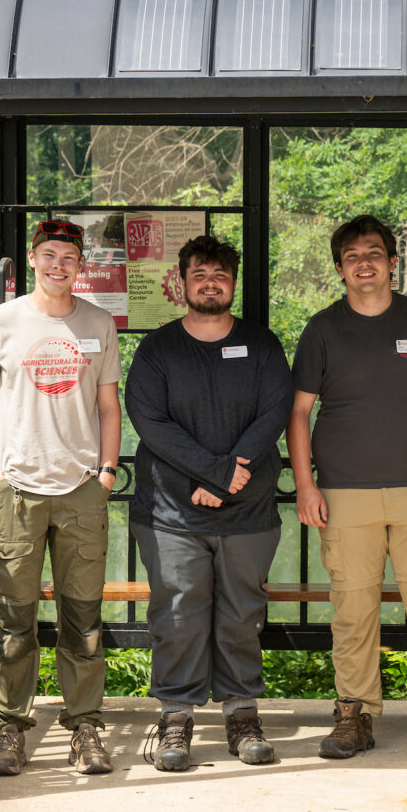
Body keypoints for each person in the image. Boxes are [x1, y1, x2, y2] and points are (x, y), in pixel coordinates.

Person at [125, 234, 293, 771]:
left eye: (220, 273)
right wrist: (216, 473)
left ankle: (242, 715)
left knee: (242, 614)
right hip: (171, 512)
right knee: (177, 613)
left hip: (247, 511)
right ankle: (176, 719)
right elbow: (150, 423)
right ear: (182, 282)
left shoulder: (262, 345)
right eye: (200, 273)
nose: (210, 281)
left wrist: (224, 480)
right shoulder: (158, 350)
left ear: (233, 283)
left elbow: (274, 414)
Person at [288, 215, 407, 759]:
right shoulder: (323, 329)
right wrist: (305, 485)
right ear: (339, 268)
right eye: (352, 255)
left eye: (374, 253)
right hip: (344, 494)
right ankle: (353, 714)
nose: (364, 262)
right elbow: (299, 413)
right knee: (353, 609)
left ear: (392, 262)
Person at [0, 218, 121, 777]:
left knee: (83, 618)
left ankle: (84, 724)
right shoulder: (2, 320)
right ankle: (10, 726)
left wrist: (105, 473)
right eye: (50, 255)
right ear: (32, 259)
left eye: (69, 257)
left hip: (81, 487)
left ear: (81, 266)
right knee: (14, 617)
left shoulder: (98, 322)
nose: (59, 265)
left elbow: (110, 405)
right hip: (18, 488)